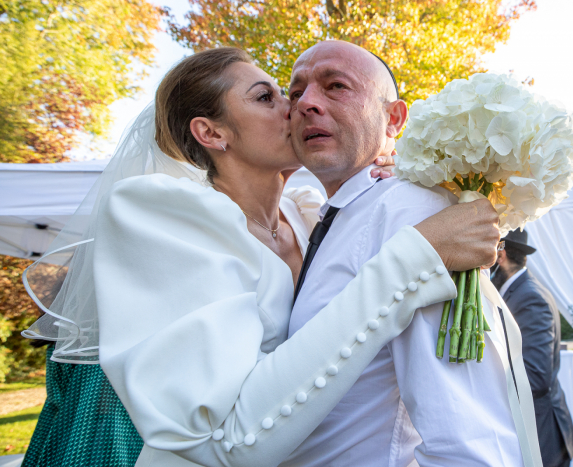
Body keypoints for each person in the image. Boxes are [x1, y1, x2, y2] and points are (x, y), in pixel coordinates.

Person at [21, 47, 500, 467]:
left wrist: (398, 172)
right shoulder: (163, 215)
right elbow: (217, 441)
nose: (298, 107)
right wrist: (414, 259)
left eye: (289, 95)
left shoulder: (311, 214)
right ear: (212, 133)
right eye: (267, 97)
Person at [282, 40, 542, 467]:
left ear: (395, 118)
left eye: (336, 86)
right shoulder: (329, 216)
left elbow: (469, 441)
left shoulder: (414, 214)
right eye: (295, 93)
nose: (307, 103)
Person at [491, 229, 573, 467]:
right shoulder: (520, 290)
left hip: (542, 434)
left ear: (500, 255)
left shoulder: (529, 296)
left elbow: (535, 376)